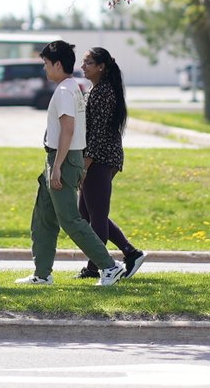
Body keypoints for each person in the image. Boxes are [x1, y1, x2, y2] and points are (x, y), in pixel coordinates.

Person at [16, 39, 124, 287]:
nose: (44, 68)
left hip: (62, 159)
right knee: (43, 217)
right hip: (57, 158)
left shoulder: (65, 90)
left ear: (56, 64)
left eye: (45, 64)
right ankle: (42, 274)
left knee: (70, 219)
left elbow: (68, 130)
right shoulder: (72, 87)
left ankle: (109, 266)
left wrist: (56, 167)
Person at [76, 47, 146, 280]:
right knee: (87, 213)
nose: (83, 67)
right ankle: (130, 252)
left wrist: (85, 165)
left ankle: (97, 267)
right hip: (99, 157)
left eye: (88, 63)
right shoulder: (96, 90)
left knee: (95, 215)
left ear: (101, 67)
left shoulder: (104, 92)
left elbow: (96, 134)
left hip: (101, 158)